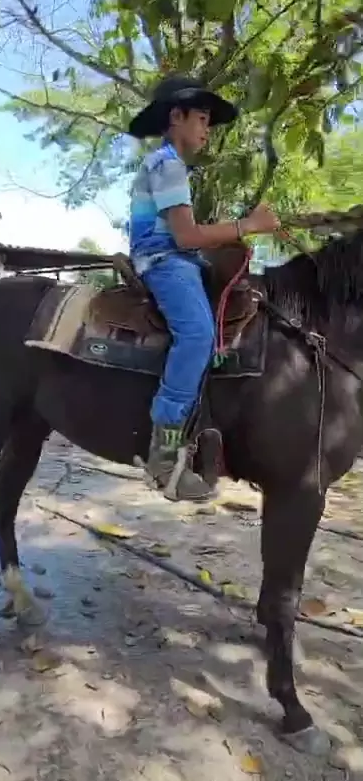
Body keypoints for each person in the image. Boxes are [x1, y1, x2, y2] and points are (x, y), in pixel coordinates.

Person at [128, 74, 281, 502]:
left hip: (183, 260)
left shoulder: (173, 166)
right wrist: (248, 225)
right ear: (176, 117)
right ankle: (164, 452)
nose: (206, 129)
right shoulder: (167, 165)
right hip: (165, 261)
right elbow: (185, 237)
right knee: (197, 334)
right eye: (201, 119)